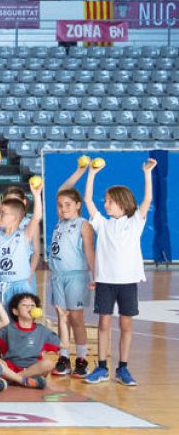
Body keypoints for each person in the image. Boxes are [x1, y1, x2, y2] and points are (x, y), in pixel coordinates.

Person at [83, 158, 155, 386]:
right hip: (105, 281)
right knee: (103, 323)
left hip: (127, 282)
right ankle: (102, 367)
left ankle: (122, 368)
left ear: (122, 204)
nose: (105, 205)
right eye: (105, 201)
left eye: (110, 202)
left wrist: (147, 173)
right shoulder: (102, 224)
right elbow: (87, 199)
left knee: (126, 324)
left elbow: (147, 199)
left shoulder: (134, 222)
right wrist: (92, 174)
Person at [49, 168, 96, 378]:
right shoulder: (60, 222)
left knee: (76, 318)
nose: (62, 208)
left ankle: (83, 359)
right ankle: (64, 356)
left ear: (78, 205)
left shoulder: (83, 225)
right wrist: (78, 171)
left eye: (68, 204)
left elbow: (89, 253)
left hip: (76, 276)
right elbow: (62, 189)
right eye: (59, 205)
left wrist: (96, 276)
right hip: (58, 276)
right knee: (62, 317)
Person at [0, 180, 44, 309]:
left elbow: (37, 217)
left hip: (19, 285)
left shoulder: (24, 235)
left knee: (19, 322)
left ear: (15, 217)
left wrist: (37, 195)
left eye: (2, 213)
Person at [0, 293, 55, 389]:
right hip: (10, 368)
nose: (30, 308)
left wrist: (62, 319)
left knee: (48, 363)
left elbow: (62, 345)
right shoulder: (7, 329)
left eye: (33, 305)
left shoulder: (42, 329)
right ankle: (23, 380)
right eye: (25, 305)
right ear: (15, 311)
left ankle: (12, 379)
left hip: (33, 369)